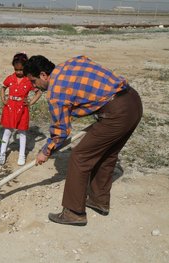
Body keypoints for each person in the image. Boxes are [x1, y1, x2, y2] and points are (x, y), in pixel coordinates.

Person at [23, 55, 142, 226]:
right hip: (132, 101)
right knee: (107, 154)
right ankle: (98, 201)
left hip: (116, 113)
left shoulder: (55, 92)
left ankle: (73, 212)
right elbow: (87, 66)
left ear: (43, 75)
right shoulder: (70, 63)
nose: (34, 86)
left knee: (80, 157)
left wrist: (45, 151)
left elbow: (61, 132)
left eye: (33, 81)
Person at [0, 52, 41, 166]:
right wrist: (3, 99)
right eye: (16, 70)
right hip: (10, 107)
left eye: (21, 70)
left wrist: (30, 102)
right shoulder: (10, 78)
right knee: (7, 131)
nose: (19, 72)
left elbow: (38, 93)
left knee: (22, 132)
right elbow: (3, 88)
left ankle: (22, 155)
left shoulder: (29, 80)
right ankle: (2, 153)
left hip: (22, 109)